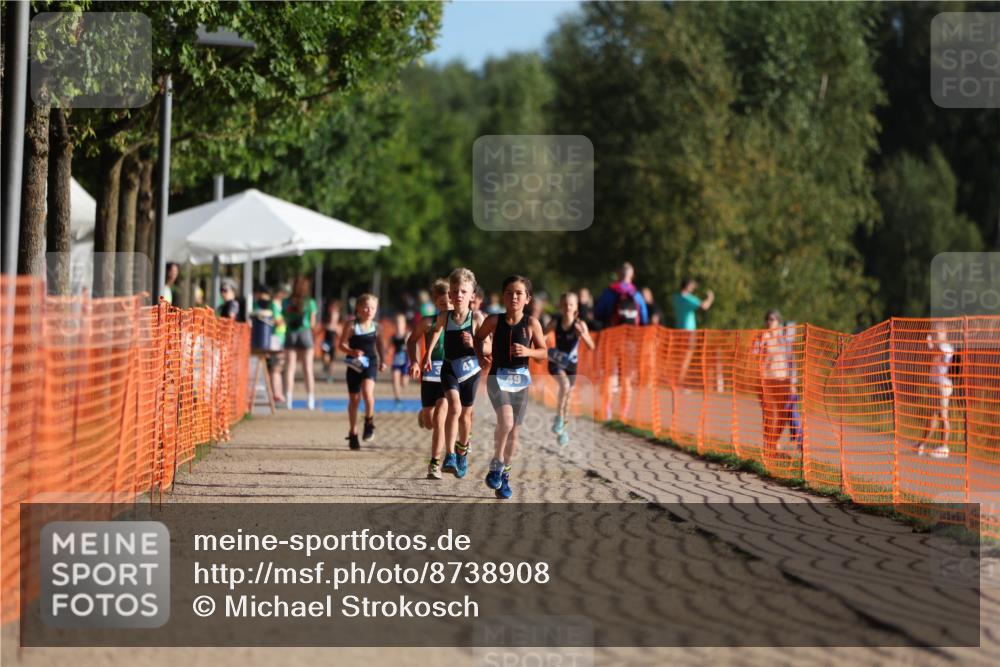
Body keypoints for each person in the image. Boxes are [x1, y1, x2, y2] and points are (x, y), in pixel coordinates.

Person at [474, 275, 548, 500]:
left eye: (519, 293)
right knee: (505, 421)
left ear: (527, 299)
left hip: (521, 382)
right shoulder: (494, 321)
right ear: (503, 296)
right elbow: (478, 338)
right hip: (498, 377)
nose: (514, 297)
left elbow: (543, 353)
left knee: (515, 431)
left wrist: (528, 352)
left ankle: (504, 475)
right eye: (509, 293)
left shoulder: (532, 324)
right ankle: (496, 463)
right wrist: (480, 358)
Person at [422, 268, 483, 479]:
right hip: (449, 368)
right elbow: (436, 331)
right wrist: (428, 354)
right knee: (454, 407)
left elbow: (491, 347)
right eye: (455, 291)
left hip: (471, 372)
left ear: (472, 296)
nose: (458, 295)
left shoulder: (476, 318)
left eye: (463, 292)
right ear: (450, 295)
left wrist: (475, 343)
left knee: (466, 416)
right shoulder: (444, 316)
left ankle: (462, 451)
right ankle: (449, 456)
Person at [408, 279, 452, 478]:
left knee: (440, 418)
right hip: (429, 375)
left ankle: (434, 463)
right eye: (442, 303)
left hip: (449, 376)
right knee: (429, 420)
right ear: (436, 303)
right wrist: (415, 362)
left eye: (450, 302)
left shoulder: (459, 324)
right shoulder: (427, 322)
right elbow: (411, 341)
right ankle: (423, 415)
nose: (447, 306)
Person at [545, 292, 595, 446]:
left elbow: (591, 346)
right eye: (565, 304)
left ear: (576, 307)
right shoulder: (555, 322)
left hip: (571, 364)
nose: (568, 307)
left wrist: (583, 335)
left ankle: (562, 430)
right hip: (557, 361)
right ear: (560, 306)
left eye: (571, 304)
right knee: (564, 385)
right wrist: (542, 348)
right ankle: (558, 419)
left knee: (568, 398)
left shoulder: (580, 325)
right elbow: (542, 335)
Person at [339, 294, 386, 449]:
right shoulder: (351, 325)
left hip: (370, 363)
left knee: (367, 392)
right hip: (354, 364)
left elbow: (380, 345)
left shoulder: (377, 327)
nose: (369, 310)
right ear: (358, 309)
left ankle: (369, 422)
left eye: (372, 307)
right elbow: (341, 345)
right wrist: (352, 352)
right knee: (354, 399)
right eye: (366, 307)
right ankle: (353, 432)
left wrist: (383, 361)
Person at [755, 310, 800, 459]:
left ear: (779, 322)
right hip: (766, 382)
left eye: (773, 319)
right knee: (770, 415)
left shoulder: (784, 340)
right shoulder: (762, 337)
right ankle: (771, 446)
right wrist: (762, 342)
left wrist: (793, 382)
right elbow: (754, 354)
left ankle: (776, 444)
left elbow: (791, 361)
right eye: (768, 319)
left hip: (782, 382)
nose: (769, 322)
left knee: (782, 415)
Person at [919, 321, 954, 459]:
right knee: (932, 415)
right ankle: (922, 443)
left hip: (943, 385)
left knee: (943, 415)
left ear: (944, 334)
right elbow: (928, 356)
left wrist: (929, 344)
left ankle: (944, 446)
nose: (935, 335)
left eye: (938, 333)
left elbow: (933, 352)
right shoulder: (938, 346)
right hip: (934, 383)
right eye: (934, 333)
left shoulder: (945, 347)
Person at [282, 276, 318, 410]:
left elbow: (284, 318)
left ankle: (289, 400)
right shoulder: (310, 302)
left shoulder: (286, 302)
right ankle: (310, 400)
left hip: (291, 334)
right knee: (308, 369)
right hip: (305, 334)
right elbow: (313, 323)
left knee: (290, 368)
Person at [673, 276, 715, 388]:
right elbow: (704, 306)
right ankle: (679, 382)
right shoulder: (688, 298)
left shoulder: (676, 297)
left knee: (679, 357)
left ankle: (676, 380)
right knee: (686, 358)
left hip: (679, 331)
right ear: (688, 286)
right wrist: (710, 298)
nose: (693, 289)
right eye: (692, 286)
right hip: (689, 332)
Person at [594, 262, 649, 327]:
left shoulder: (609, 292)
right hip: (633, 332)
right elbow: (644, 317)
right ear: (632, 275)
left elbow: (598, 313)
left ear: (618, 274)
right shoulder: (636, 294)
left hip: (612, 331)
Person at [390, 313, 411, 403]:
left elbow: (412, 346)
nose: (399, 325)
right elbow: (389, 347)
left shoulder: (407, 335)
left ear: (404, 324)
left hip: (405, 361)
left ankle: (403, 384)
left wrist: (407, 340)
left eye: (401, 323)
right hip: (396, 361)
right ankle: (397, 398)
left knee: (404, 383)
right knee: (395, 379)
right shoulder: (393, 337)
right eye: (397, 323)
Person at [321, 299, 342, 383]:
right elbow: (323, 327)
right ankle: (325, 366)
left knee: (331, 361)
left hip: (332, 343)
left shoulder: (338, 325)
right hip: (326, 342)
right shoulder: (326, 320)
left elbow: (340, 334)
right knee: (325, 356)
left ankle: (329, 376)